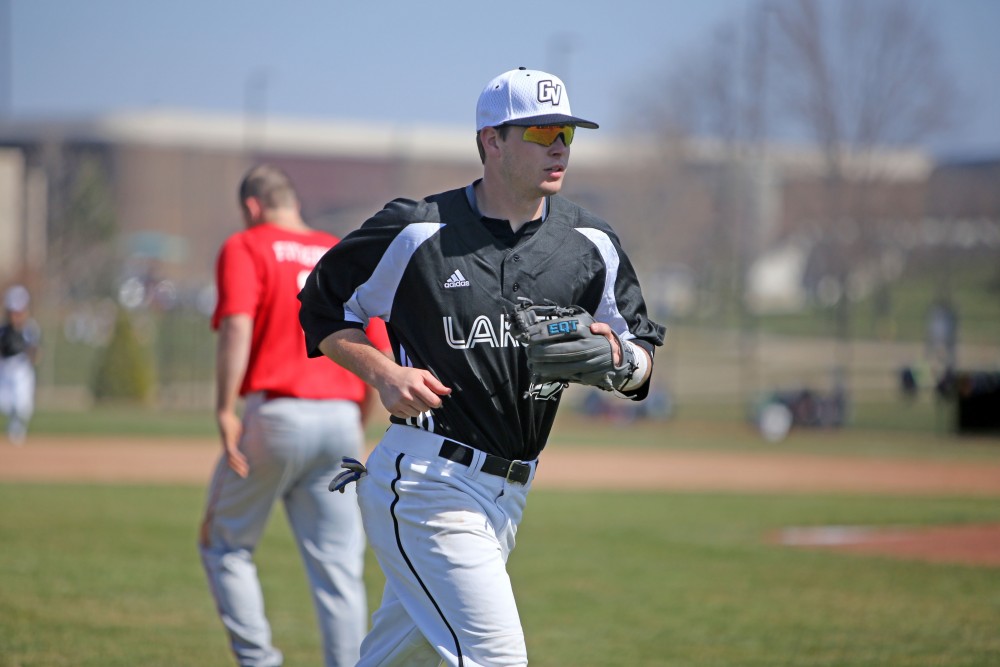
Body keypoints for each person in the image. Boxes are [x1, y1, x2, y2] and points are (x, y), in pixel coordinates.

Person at [298, 67, 666, 667]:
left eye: (567, 133)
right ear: (490, 141)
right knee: (497, 658)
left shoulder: (590, 242)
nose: (558, 146)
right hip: (428, 482)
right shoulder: (417, 229)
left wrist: (620, 360)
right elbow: (321, 309)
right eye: (541, 130)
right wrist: (383, 373)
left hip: (510, 492)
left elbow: (642, 356)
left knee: (398, 659)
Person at [198, 164, 391, 667]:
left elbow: (237, 326)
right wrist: (360, 415)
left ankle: (259, 661)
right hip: (341, 420)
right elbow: (374, 341)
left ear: (253, 207)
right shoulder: (335, 248)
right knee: (339, 571)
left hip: (277, 415)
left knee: (224, 547)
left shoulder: (247, 244)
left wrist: (223, 408)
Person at [0, 284, 41, 446]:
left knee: (22, 404)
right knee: (6, 403)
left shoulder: (30, 329)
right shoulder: (3, 331)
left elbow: (35, 352)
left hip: (21, 369)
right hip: (5, 368)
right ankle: (14, 427)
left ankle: (17, 429)